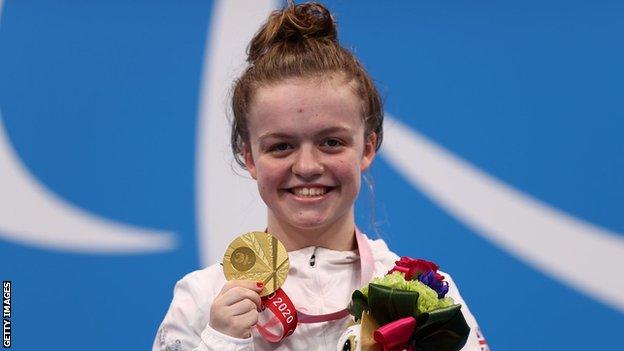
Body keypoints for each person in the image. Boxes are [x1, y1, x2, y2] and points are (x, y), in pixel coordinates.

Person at [153, 2, 486, 350]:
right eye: (281, 146)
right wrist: (219, 342)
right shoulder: (201, 298)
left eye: (331, 142)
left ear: (367, 148)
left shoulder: (427, 297)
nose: (308, 166)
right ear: (250, 158)